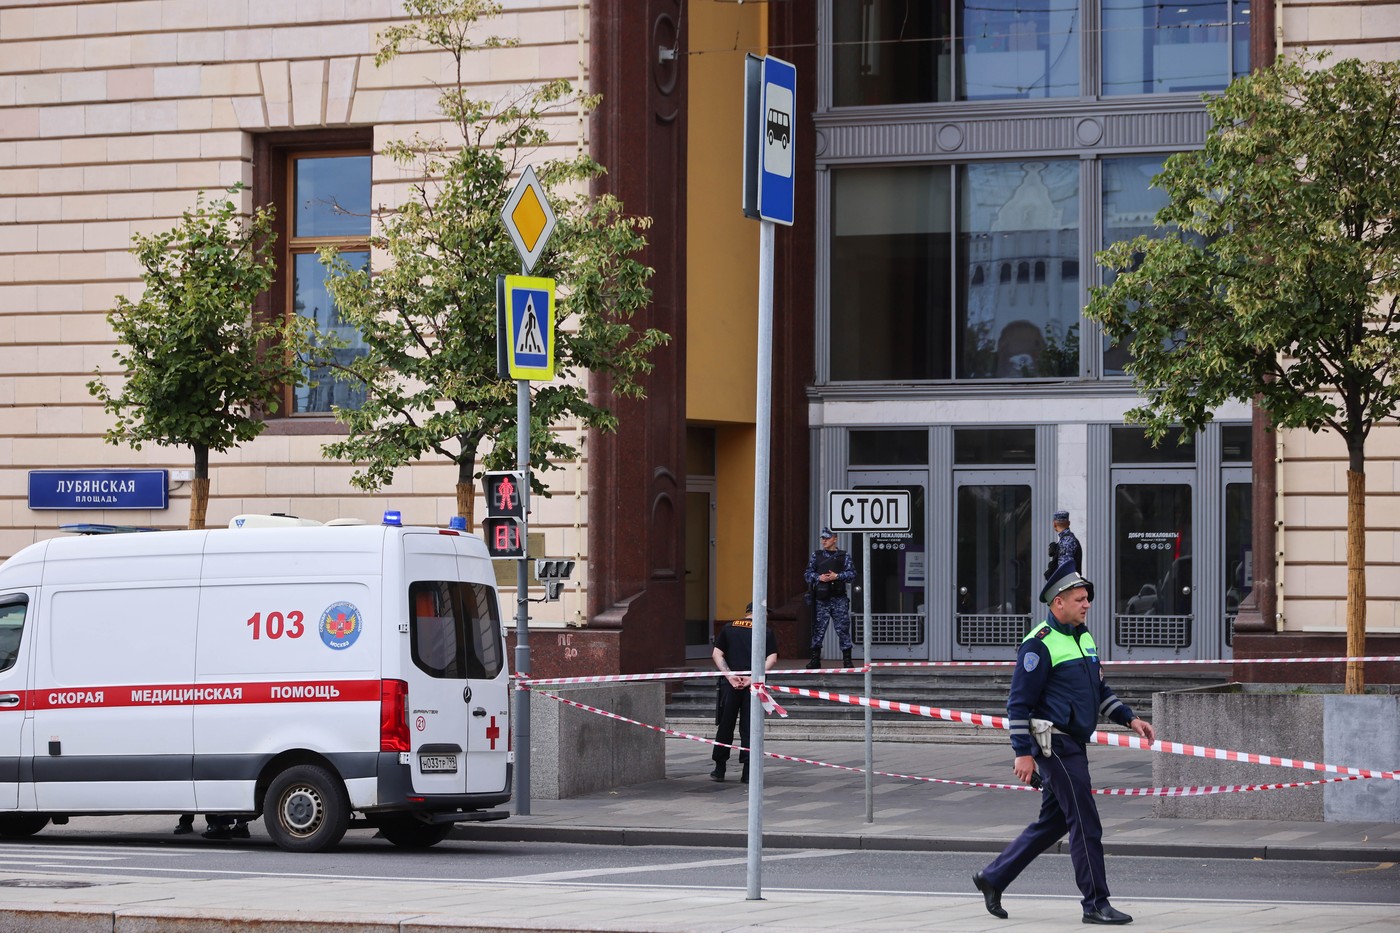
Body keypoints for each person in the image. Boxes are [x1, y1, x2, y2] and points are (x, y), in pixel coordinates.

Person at [972, 563, 1156, 926]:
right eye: (1080, 599)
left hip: (1074, 742)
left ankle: (993, 877)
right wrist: (1022, 753)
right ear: (1059, 602)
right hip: (1053, 744)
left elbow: (1098, 692)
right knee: (1086, 822)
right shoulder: (1038, 644)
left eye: (1087, 599)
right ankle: (1096, 904)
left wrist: (1130, 718)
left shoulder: (1082, 636)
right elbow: (1018, 704)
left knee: (1054, 823)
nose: (1087, 604)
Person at [710, 602, 778, 784]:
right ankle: (748, 771)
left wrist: (730, 676)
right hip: (753, 686)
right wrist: (753, 677)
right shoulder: (765, 631)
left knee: (725, 725)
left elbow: (717, 654)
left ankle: (719, 768)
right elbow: (772, 658)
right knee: (750, 728)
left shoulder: (729, 627)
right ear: (759, 613)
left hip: (729, 685)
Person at [803, 527, 855, 668]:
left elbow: (852, 575)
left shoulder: (844, 556)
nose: (824, 541)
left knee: (843, 628)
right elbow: (807, 574)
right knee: (818, 629)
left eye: (827, 538)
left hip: (839, 598)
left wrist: (837, 576)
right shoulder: (817, 555)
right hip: (821, 598)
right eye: (823, 538)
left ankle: (847, 659)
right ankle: (815, 659)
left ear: (835, 539)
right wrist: (818, 577)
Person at [1044, 510, 1083, 581]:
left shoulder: (1066, 541)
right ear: (1069, 523)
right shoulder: (1068, 539)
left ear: (1054, 524)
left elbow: (1064, 570)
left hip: (1068, 587)